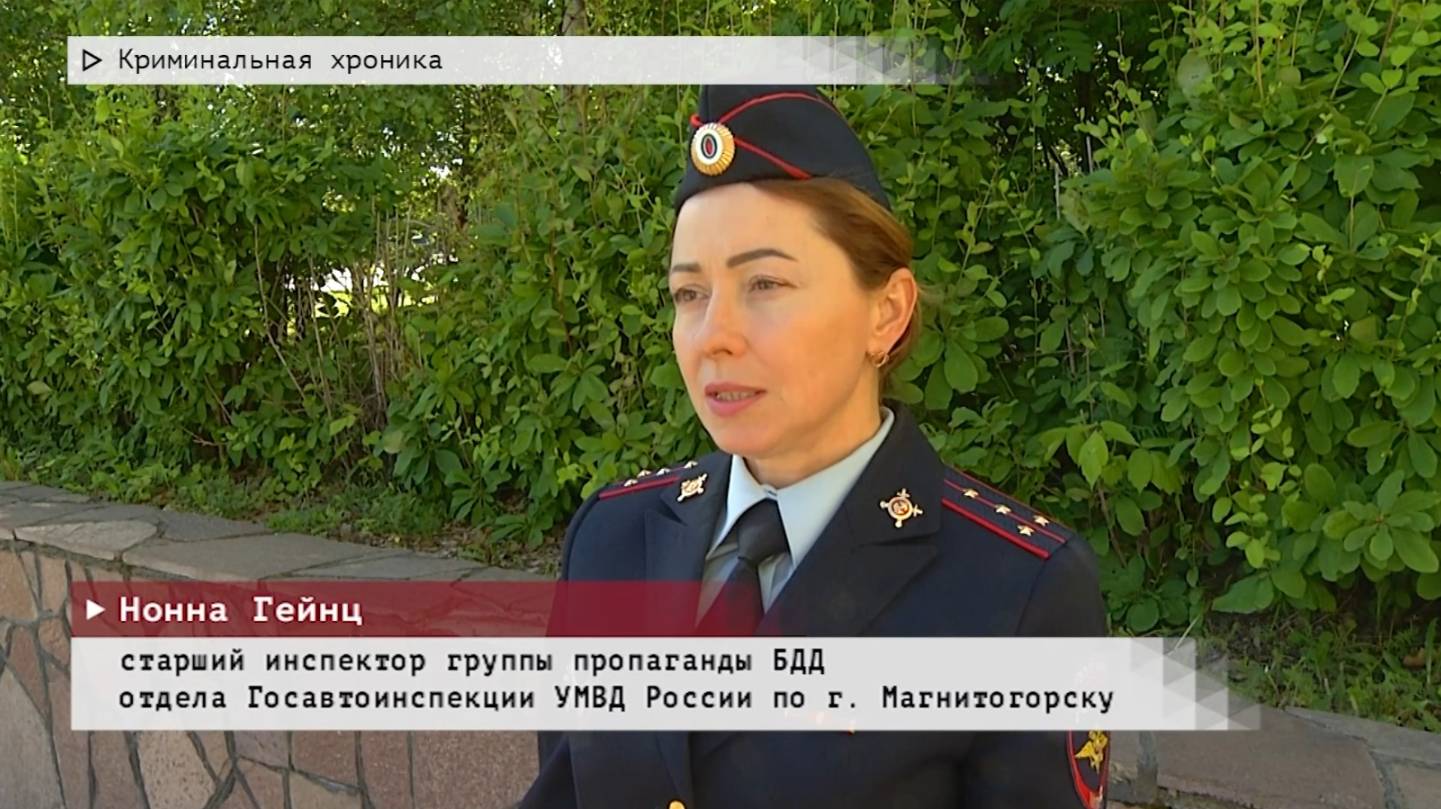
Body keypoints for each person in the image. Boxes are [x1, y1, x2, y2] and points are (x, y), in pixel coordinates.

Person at [518, 85, 1110, 809]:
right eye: (689, 293)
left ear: (886, 313)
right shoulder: (613, 538)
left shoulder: (1015, 591)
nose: (713, 336)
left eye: (765, 283)